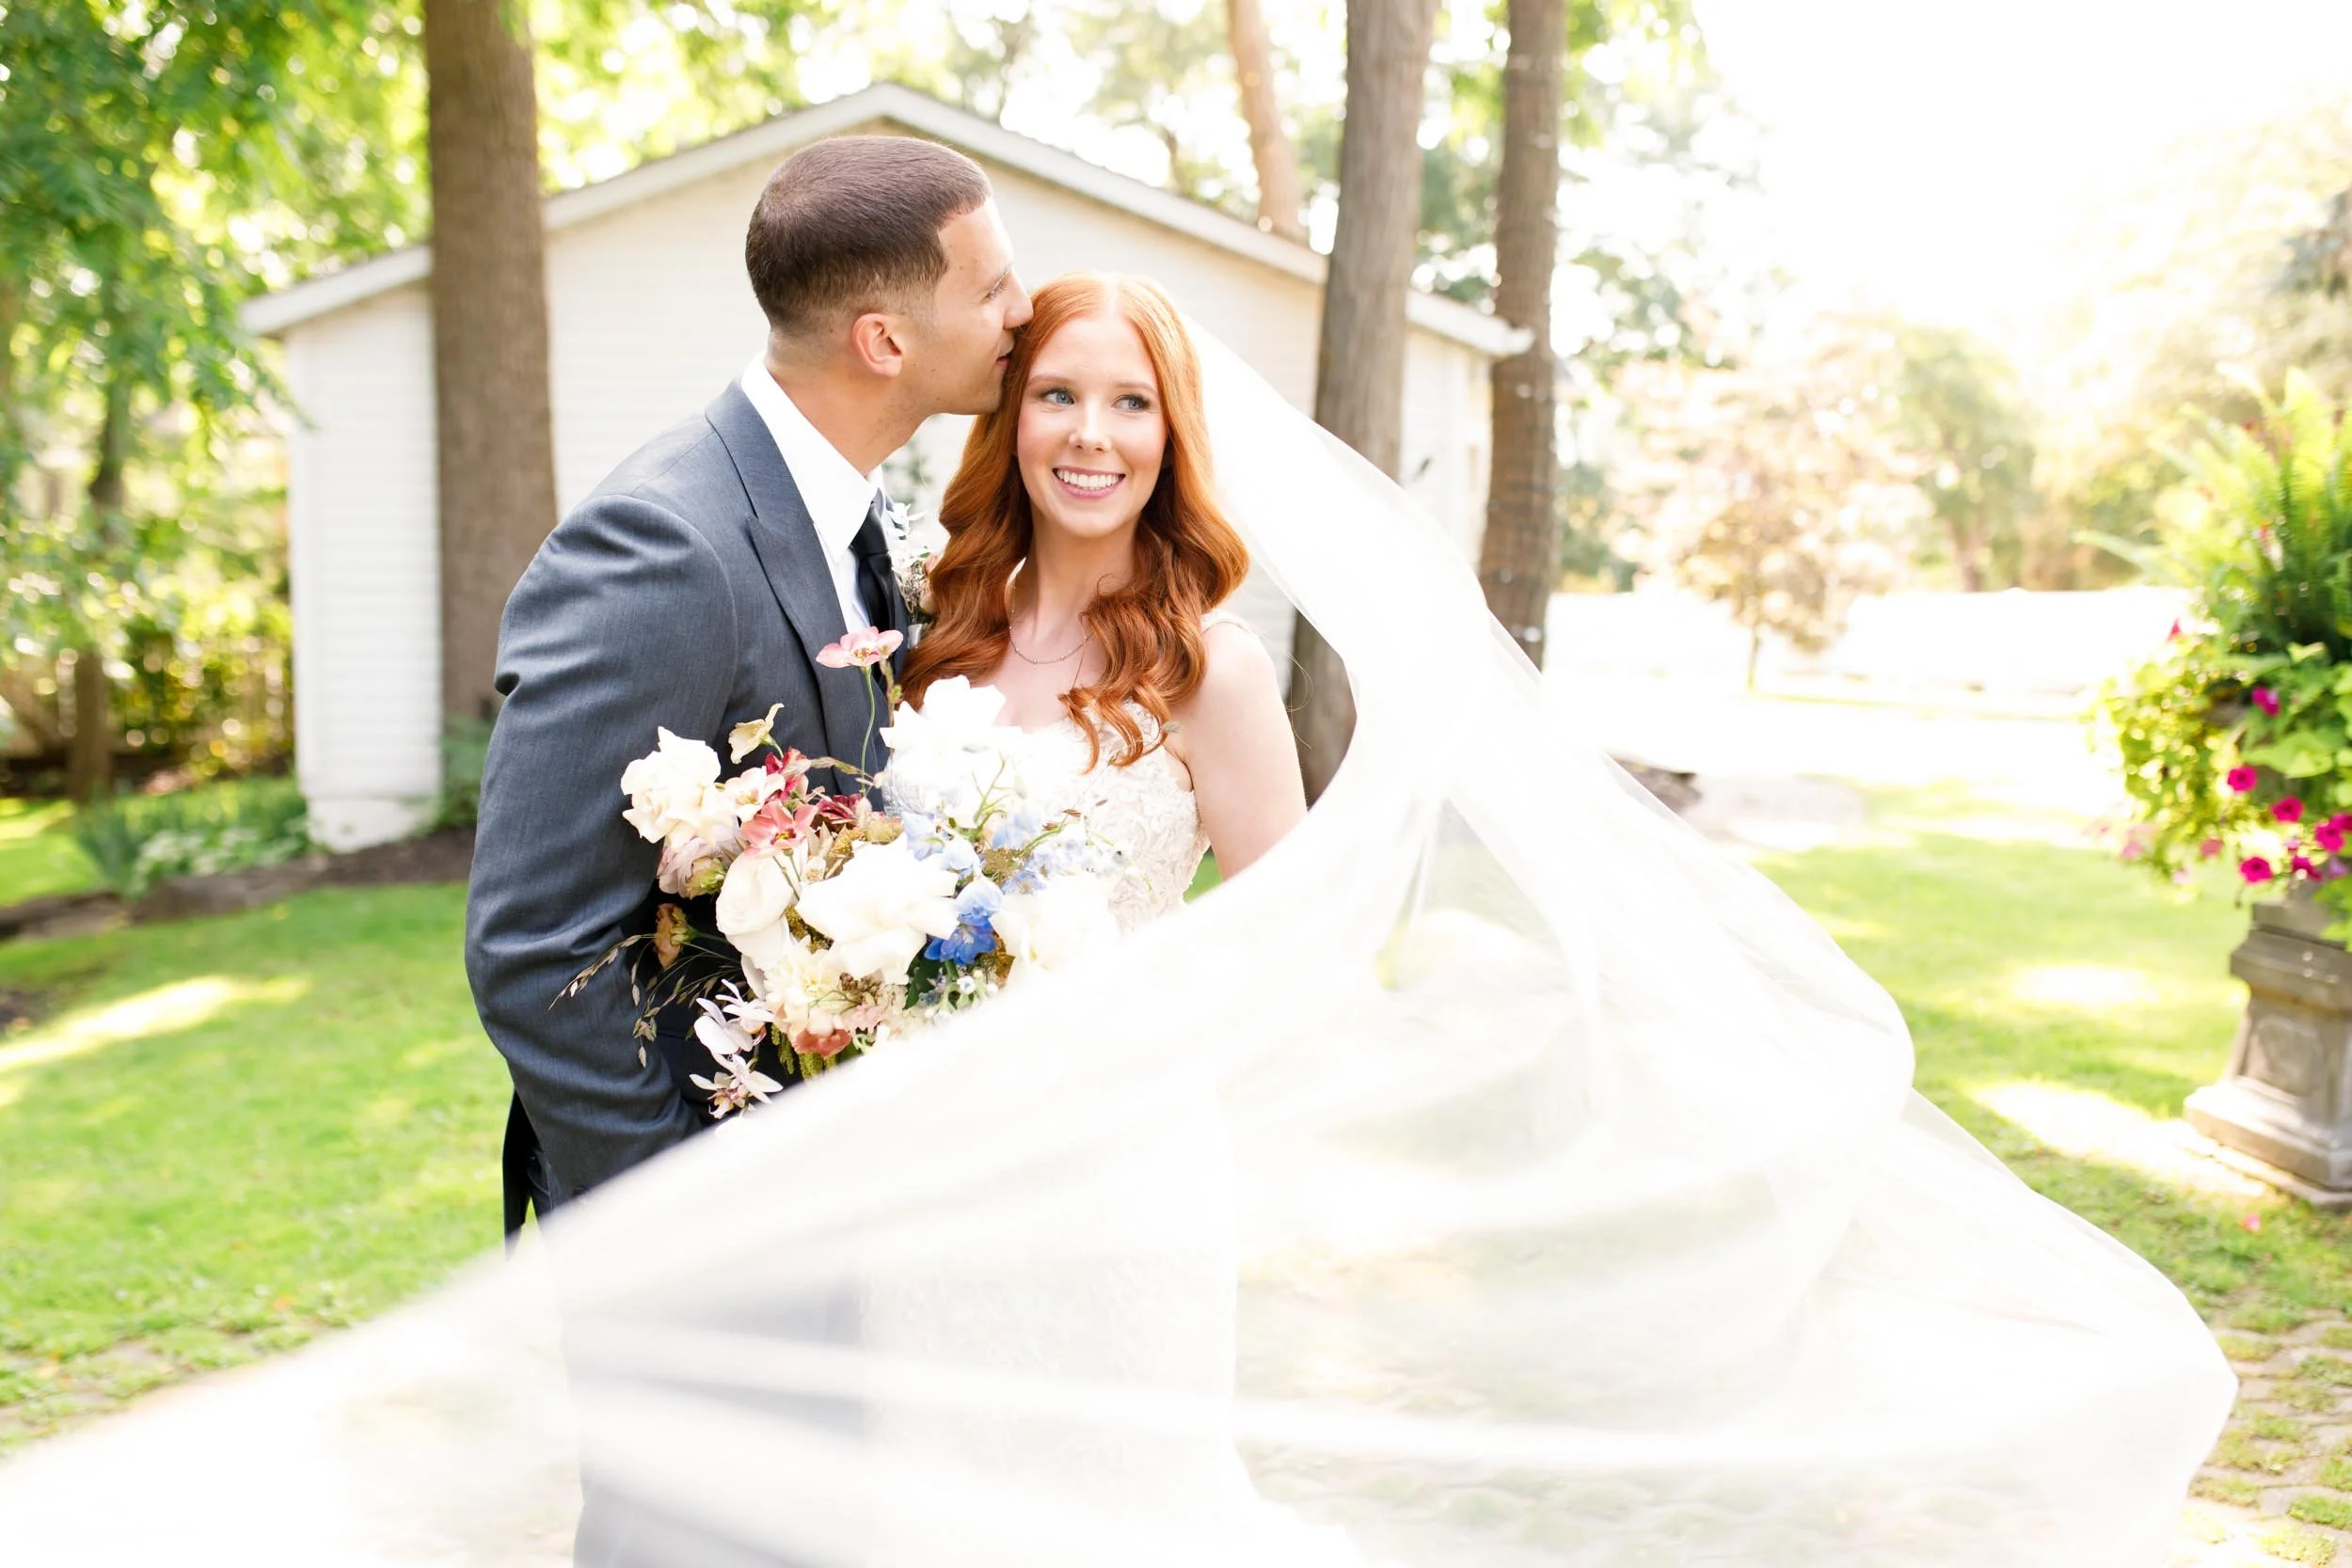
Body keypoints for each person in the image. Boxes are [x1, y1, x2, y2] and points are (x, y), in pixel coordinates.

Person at [465, 135, 1032, 1235]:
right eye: (993, 287)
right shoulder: (663, 547)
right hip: (707, 1230)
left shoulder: (849, 518)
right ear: (884, 339)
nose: (1023, 308)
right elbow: (534, 946)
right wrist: (697, 1217)